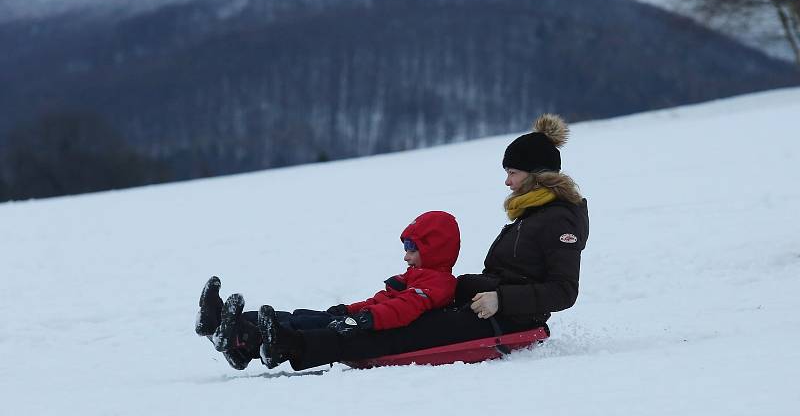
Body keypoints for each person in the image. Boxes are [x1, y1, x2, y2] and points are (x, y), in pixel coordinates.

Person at [200, 113, 589, 371]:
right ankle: (240, 332)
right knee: (377, 315)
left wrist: (502, 300)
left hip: (508, 319)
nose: (507, 181)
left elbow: (563, 291)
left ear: (537, 175)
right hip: (482, 306)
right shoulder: (532, 213)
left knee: (388, 333)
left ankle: (285, 344)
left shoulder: (557, 221)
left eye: (514, 172)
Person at [195, 210, 461, 369]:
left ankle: (241, 340)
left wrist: (364, 318)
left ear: (434, 248)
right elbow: (381, 300)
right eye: (405, 249)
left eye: (411, 249)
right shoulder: (416, 275)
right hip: (360, 320)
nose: (406, 256)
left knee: (304, 328)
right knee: (299, 316)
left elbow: (404, 308)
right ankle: (223, 323)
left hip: (371, 329)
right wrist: (349, 309)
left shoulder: (439, 283)